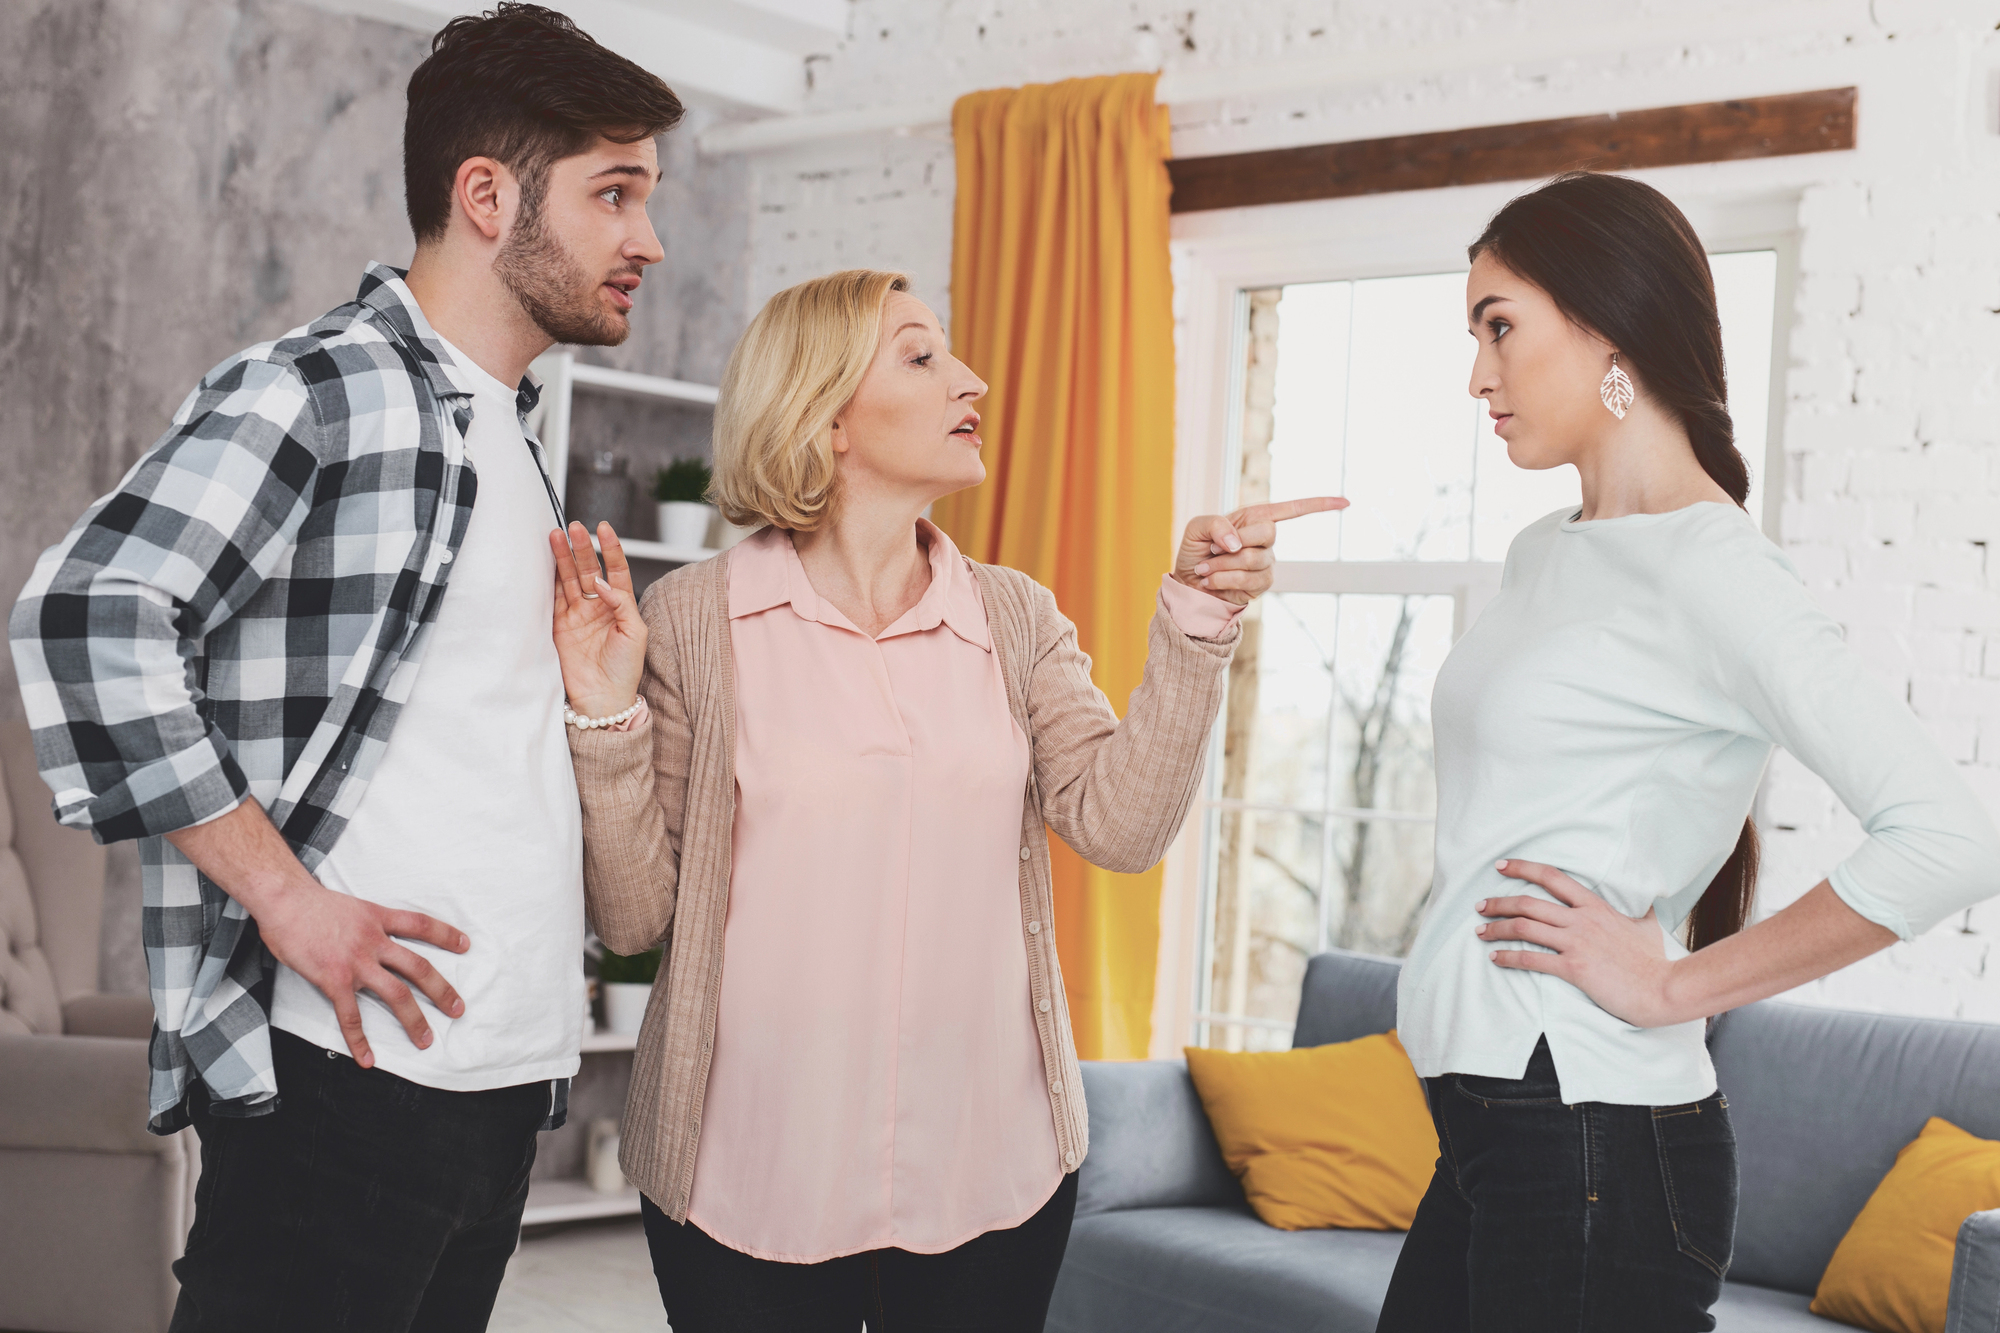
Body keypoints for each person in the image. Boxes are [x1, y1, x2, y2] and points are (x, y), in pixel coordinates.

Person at [6, 7, 682, 1330]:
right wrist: (286, 900)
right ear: (487, 196)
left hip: (490, 1088)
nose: (648, 240)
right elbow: (87, 611)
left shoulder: (506, 432)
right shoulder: (329, 387)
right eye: (616, 194)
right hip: (349, 1087)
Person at [546, 267, 1342, 1330]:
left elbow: (1120, 825)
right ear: (823, 417)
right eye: (922, 356)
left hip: (991, 1174)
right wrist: (604, 715)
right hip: (744, 1175)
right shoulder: (694, 618)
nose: (969, 378)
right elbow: (638, 914)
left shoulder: (1010, 615)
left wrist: (1194, 623)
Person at [1376, 171, 2000, 1333]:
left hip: (1593, 1145)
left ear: (1605, 322)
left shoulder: (1714, 568)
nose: (1476, 374)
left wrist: (1670, 984)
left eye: (1498, 326)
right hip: (1497, 1128)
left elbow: (1951, 841)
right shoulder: (1541, 552)